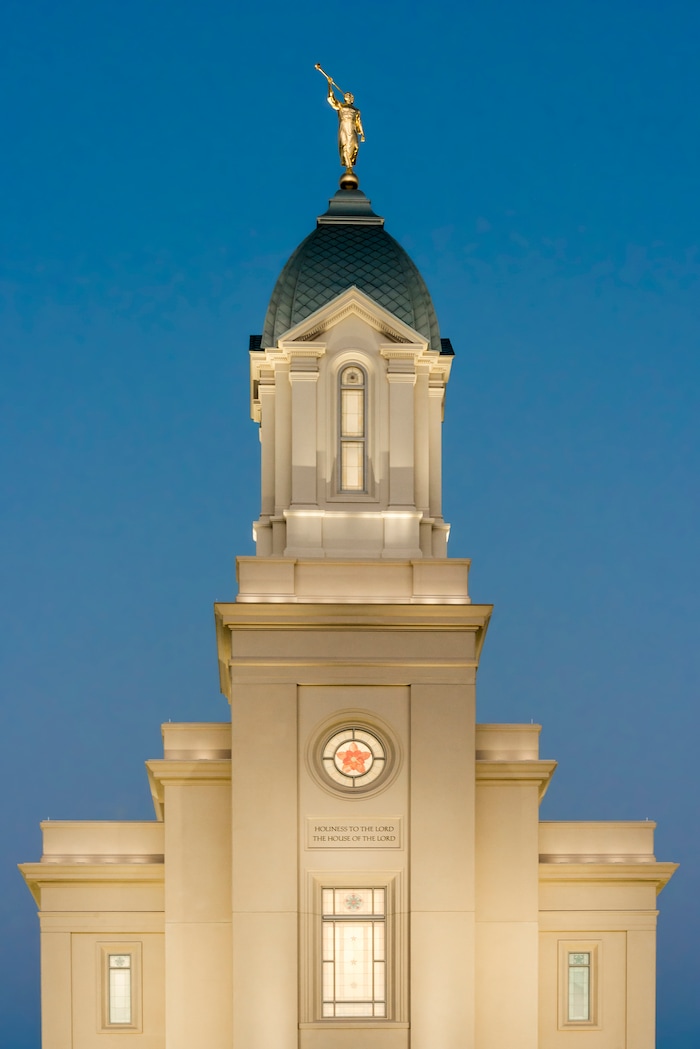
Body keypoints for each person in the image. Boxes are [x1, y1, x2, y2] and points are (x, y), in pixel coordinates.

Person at [326, 82, 365, 169]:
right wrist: (329, 85)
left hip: (352, 127)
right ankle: (348, 165)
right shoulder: (341, 106)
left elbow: (359, 122)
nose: (349, 96)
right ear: (345, 97)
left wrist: (362, 134)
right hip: (344, 126)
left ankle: (350, 162)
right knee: (344, 145)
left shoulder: (356, 110)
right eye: (348, 95)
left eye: (351, 96)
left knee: (355, 145)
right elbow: (330, 99)